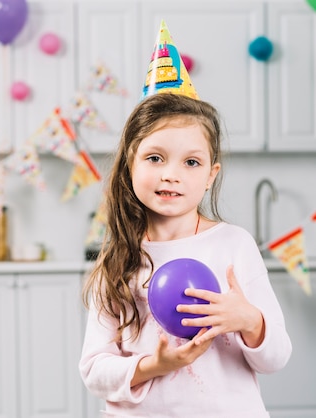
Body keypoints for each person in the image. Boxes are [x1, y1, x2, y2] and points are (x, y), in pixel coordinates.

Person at [79, 92, 292, 417]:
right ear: (130, 165)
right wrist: (154, 365)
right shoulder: (118, 258)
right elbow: (94, 372)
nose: (171, 174)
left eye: (191, 162)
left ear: (210, 175)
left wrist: (249, 320)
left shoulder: (234, 245)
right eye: (155, 158)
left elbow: (276, 357)